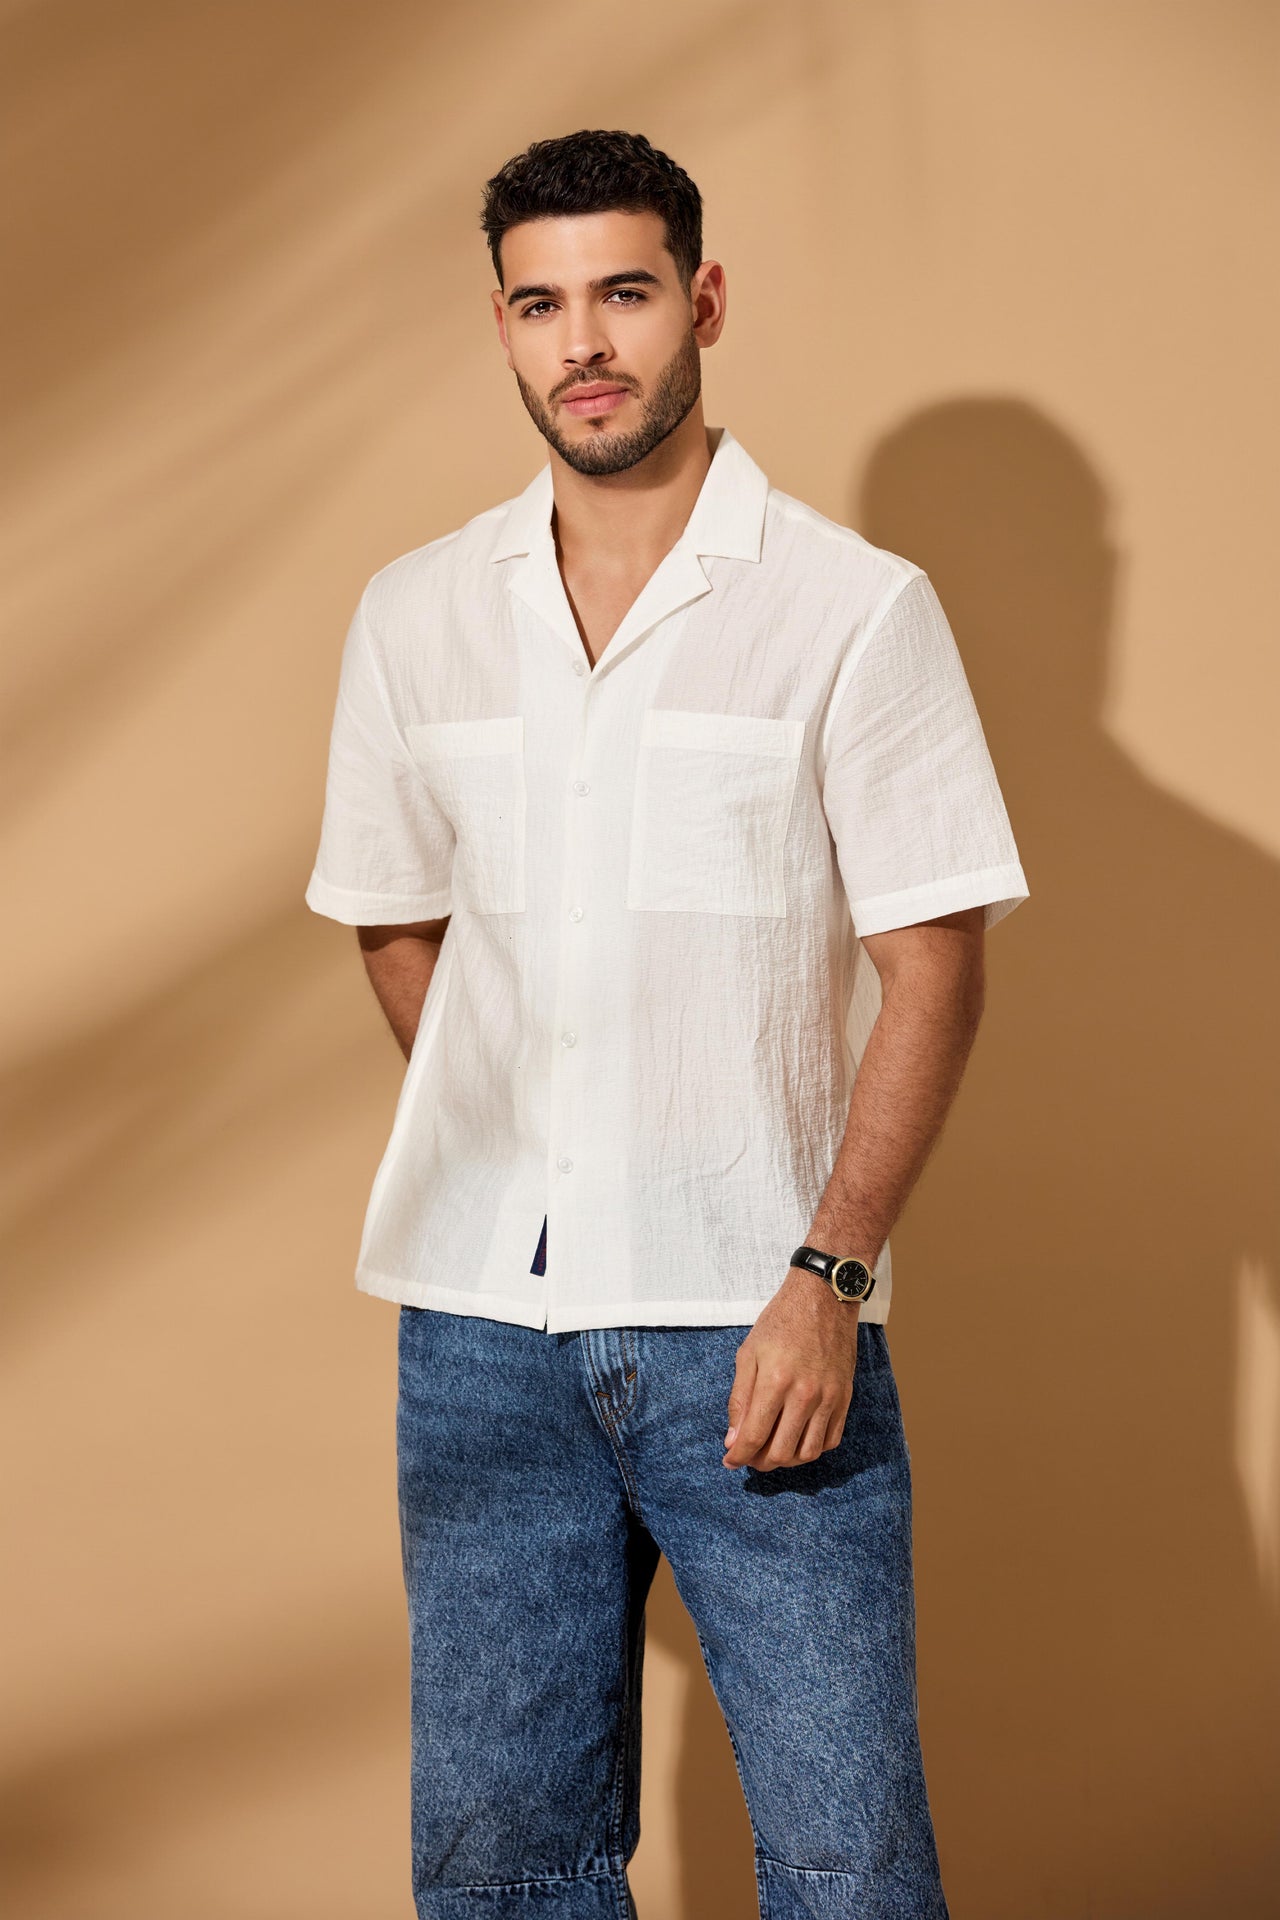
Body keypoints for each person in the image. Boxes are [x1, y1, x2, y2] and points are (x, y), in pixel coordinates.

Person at [304, 127, 1029, 1920]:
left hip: (756, 1318)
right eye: (540, 305)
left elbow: (935, 964)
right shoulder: (414, 615)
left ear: (701, 302)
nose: (585, 343)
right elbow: (397, 919)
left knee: (850, 1868)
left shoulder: (852, 610)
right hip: (480, 1332)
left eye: (622, 293)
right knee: (500, 1870)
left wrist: (831, 1276)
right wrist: (526, 1129)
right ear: (502, 326)